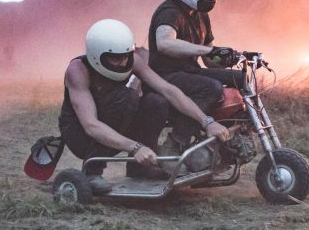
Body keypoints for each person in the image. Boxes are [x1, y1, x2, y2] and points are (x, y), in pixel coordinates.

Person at [59, 18, 230, 194]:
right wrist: (135, 147)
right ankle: (92, 172)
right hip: (79, 133)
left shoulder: (132, 61)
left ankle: (141, 168)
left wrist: (207, 121)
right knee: (127, 98)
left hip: (114, 120)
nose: (122, 62)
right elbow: (90, 125)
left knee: (156, 101)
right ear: (96, 54)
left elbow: (169, 90)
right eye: (115, 58)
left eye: (125, 56)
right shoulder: (78, 71)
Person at [148, 0, 242, 157]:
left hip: (190, 72)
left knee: (241, 79)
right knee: (211, 88)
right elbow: (164, 43)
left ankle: (233, 136)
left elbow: (209, 61)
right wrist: (209, 50)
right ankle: (175, 143)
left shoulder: (201, 15)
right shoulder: (170, 11)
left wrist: (230, 56)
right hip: (164, 76)